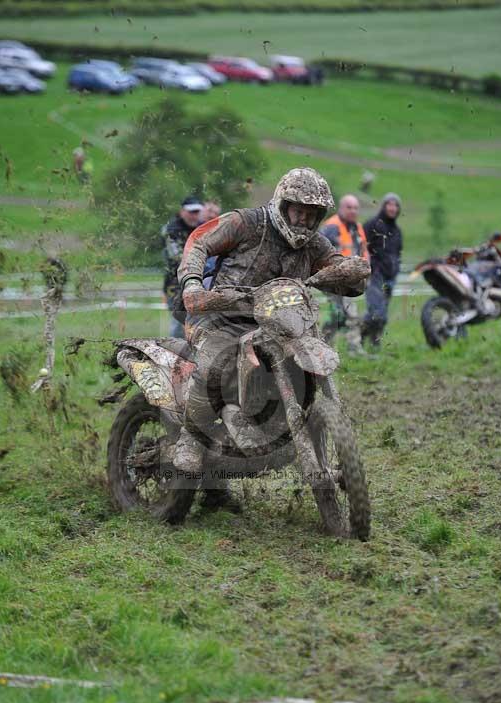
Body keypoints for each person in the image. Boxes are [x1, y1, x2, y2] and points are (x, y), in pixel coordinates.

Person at [173, 168, 370, 492]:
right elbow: (199, 241)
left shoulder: (314, 245)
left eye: (311, 215)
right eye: (298, 212)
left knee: (311, 354)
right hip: (222, 317)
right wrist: (192, 283)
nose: (302, 221)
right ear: (283, 205)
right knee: (214, 364)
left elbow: (340, 268)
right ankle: (191, 440)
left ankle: (299, 429)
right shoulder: (247, 223)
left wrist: (350, 273)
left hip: (282, 324)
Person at [320, 193, 369, 355]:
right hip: (332, 279)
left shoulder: (357, 227)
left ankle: (351, 347)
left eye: (355, 208)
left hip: (351, 280)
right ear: (341, 208)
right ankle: (326, 347)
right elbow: (318, 253)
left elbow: (363, 251)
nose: (353, 211)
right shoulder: (330, 227)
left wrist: (366, 270)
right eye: (349, 207)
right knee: (340, 315)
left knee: (348, 314)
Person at [362, 192, 403, 347]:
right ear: (384, 206)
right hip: (374, 275)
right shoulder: (372, 224)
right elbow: (361, 246)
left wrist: (396, 268)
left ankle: (374, 341)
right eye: (389, 204)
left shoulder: (397, 231)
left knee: (382, 315)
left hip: (390, 277)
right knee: (376, 312)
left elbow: (398, 253)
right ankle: (359, 334)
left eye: (396, 205)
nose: (392, 208)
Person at [161, 195, 204, 338]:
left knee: (200, 323)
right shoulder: (171, 230)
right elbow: (177, 257)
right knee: (178, 323)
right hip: (175, 284)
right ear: (182, 212)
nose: (194, 215)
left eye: (196, 212)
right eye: (191, 212)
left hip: (200, 281)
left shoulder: (203, 228)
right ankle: (176, 354)